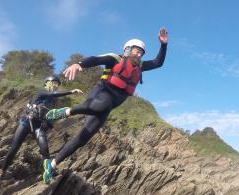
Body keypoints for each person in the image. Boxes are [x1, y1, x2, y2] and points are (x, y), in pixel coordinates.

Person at [41, 27, 168, 184]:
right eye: (137, 51)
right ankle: (66, 111)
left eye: (142, 52)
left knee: (83, 138)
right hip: (101, 94)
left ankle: (51, 165)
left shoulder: (140, 66)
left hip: (108, 106)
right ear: (128, 50)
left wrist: (163, 45)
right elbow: (96, 59)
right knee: (104, 104)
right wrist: (79, 64)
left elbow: (158, 62)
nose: (140, 54)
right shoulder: (115, 58)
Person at [0, 76, 83, 180]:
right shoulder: (41, 92)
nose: (56, 85)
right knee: (14, 148)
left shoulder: (51, 100)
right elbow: (52, 93)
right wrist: (71, 92)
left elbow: (48, 115)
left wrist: (52, 128)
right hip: (26, 122)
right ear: (47, 83)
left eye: (57, 84)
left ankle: (46, 171)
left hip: (38, 126)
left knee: (45, 150)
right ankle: (2, 172)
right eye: (54, 83)